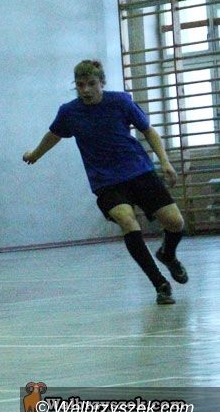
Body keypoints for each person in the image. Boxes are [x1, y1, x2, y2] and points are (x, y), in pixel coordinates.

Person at [23, 59, 187, 305]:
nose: (86, 90)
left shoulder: (121, 102)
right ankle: (160, 284)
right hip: (106, 181)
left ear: (102, 83)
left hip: (139, 171)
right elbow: (53, 135)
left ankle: (167, 254)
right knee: (127, 220)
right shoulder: (69, 112)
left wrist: (164, 161)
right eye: (80, 85)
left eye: (91, 84)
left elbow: (148, 130)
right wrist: (35, 154)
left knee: (175, 222)